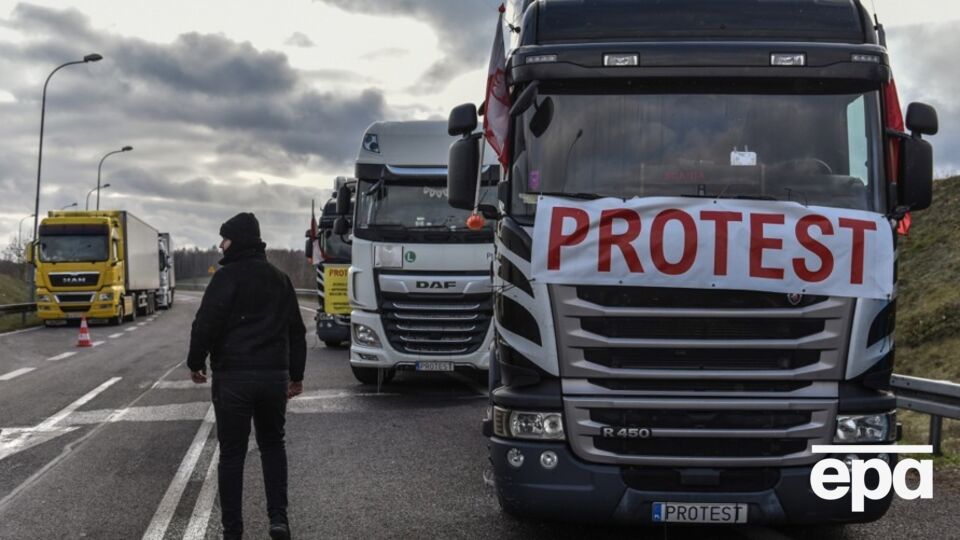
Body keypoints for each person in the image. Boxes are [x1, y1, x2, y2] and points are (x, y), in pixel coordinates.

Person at [188, 212, 306, 540]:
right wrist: (296, 375)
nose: (221, 244)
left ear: (236, 240)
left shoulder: (225, 279)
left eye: (224, 238)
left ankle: (233, 531)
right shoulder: (280, 279)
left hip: (234, 380)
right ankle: (278, 520)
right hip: (272, 378)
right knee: (272, 445)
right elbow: (296, 331)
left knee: (232, 454)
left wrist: (196, 361)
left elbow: (206, 323)